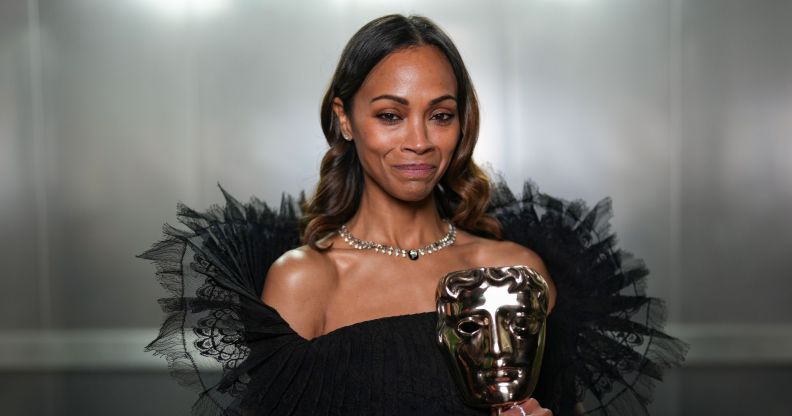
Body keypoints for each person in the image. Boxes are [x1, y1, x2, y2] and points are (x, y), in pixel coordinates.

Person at [141, 14, 686, 416]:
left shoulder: (517, 271)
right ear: (345, 119)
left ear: (461, 123)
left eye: (440, 115)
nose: (420, 141)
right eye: (390, 115)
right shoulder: (308, 280)